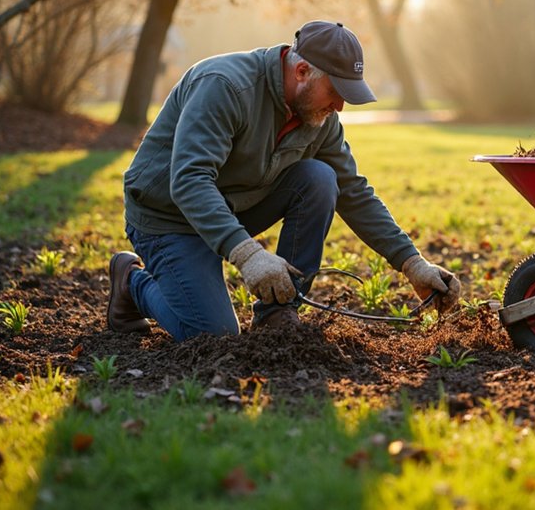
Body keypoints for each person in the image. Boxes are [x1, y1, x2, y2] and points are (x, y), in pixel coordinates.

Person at [106, 20, 461, 341]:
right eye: (336, 91)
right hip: (168, 217)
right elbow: (189, 180)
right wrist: (247, 254)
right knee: (212, 335)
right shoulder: (225, 86)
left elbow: (353, 191)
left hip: (234, 204)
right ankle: (130, 282)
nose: (339, 107)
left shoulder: (319, 119)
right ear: (303, 70)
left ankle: (278, 312)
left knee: (320, 178)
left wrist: (413, 263)